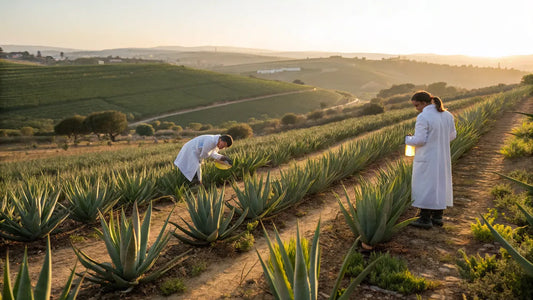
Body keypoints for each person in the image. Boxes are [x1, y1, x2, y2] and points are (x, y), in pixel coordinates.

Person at [405, 91, 456, 229]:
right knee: (440, 184)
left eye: (416, 105)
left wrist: (408, 139)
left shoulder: (423, 117)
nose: (416, 108)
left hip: (427, 156)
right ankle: (438, 217)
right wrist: (439, 140)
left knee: (425, 185)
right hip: (442, 156)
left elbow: (420, 140)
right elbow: (452, 135)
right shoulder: (447, 115)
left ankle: (425, 219)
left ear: (423, 103)